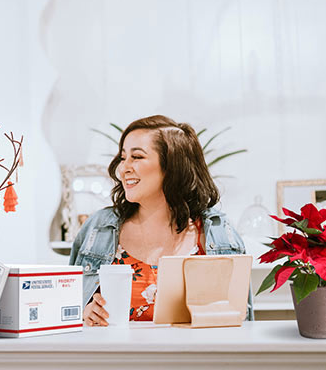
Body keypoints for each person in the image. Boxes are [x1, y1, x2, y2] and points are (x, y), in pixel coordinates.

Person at [69, 115, 252, 326]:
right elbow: (65, 308)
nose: (124, 167)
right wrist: (84, 312)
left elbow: (240, 325)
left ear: (172, 167)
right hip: (115, 357)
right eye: (123, 157)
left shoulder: (219, 234)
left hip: (192, 358)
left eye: (136, 157)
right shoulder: (98, 228)